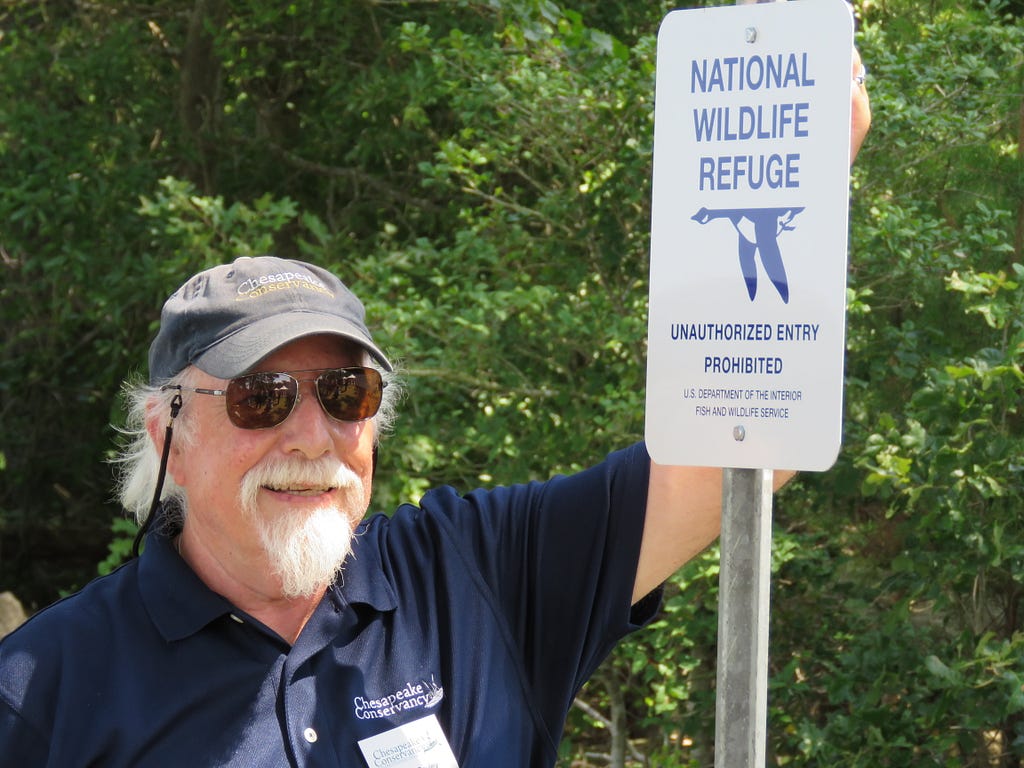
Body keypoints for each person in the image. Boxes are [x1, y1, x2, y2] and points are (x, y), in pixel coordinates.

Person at [0, 58, 869, 768]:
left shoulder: (476, 575)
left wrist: (802, 161)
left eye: (347, 393)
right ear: (170, 437)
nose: (312, 437)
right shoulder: (43, 691)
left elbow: (742, 442)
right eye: (260, 398)